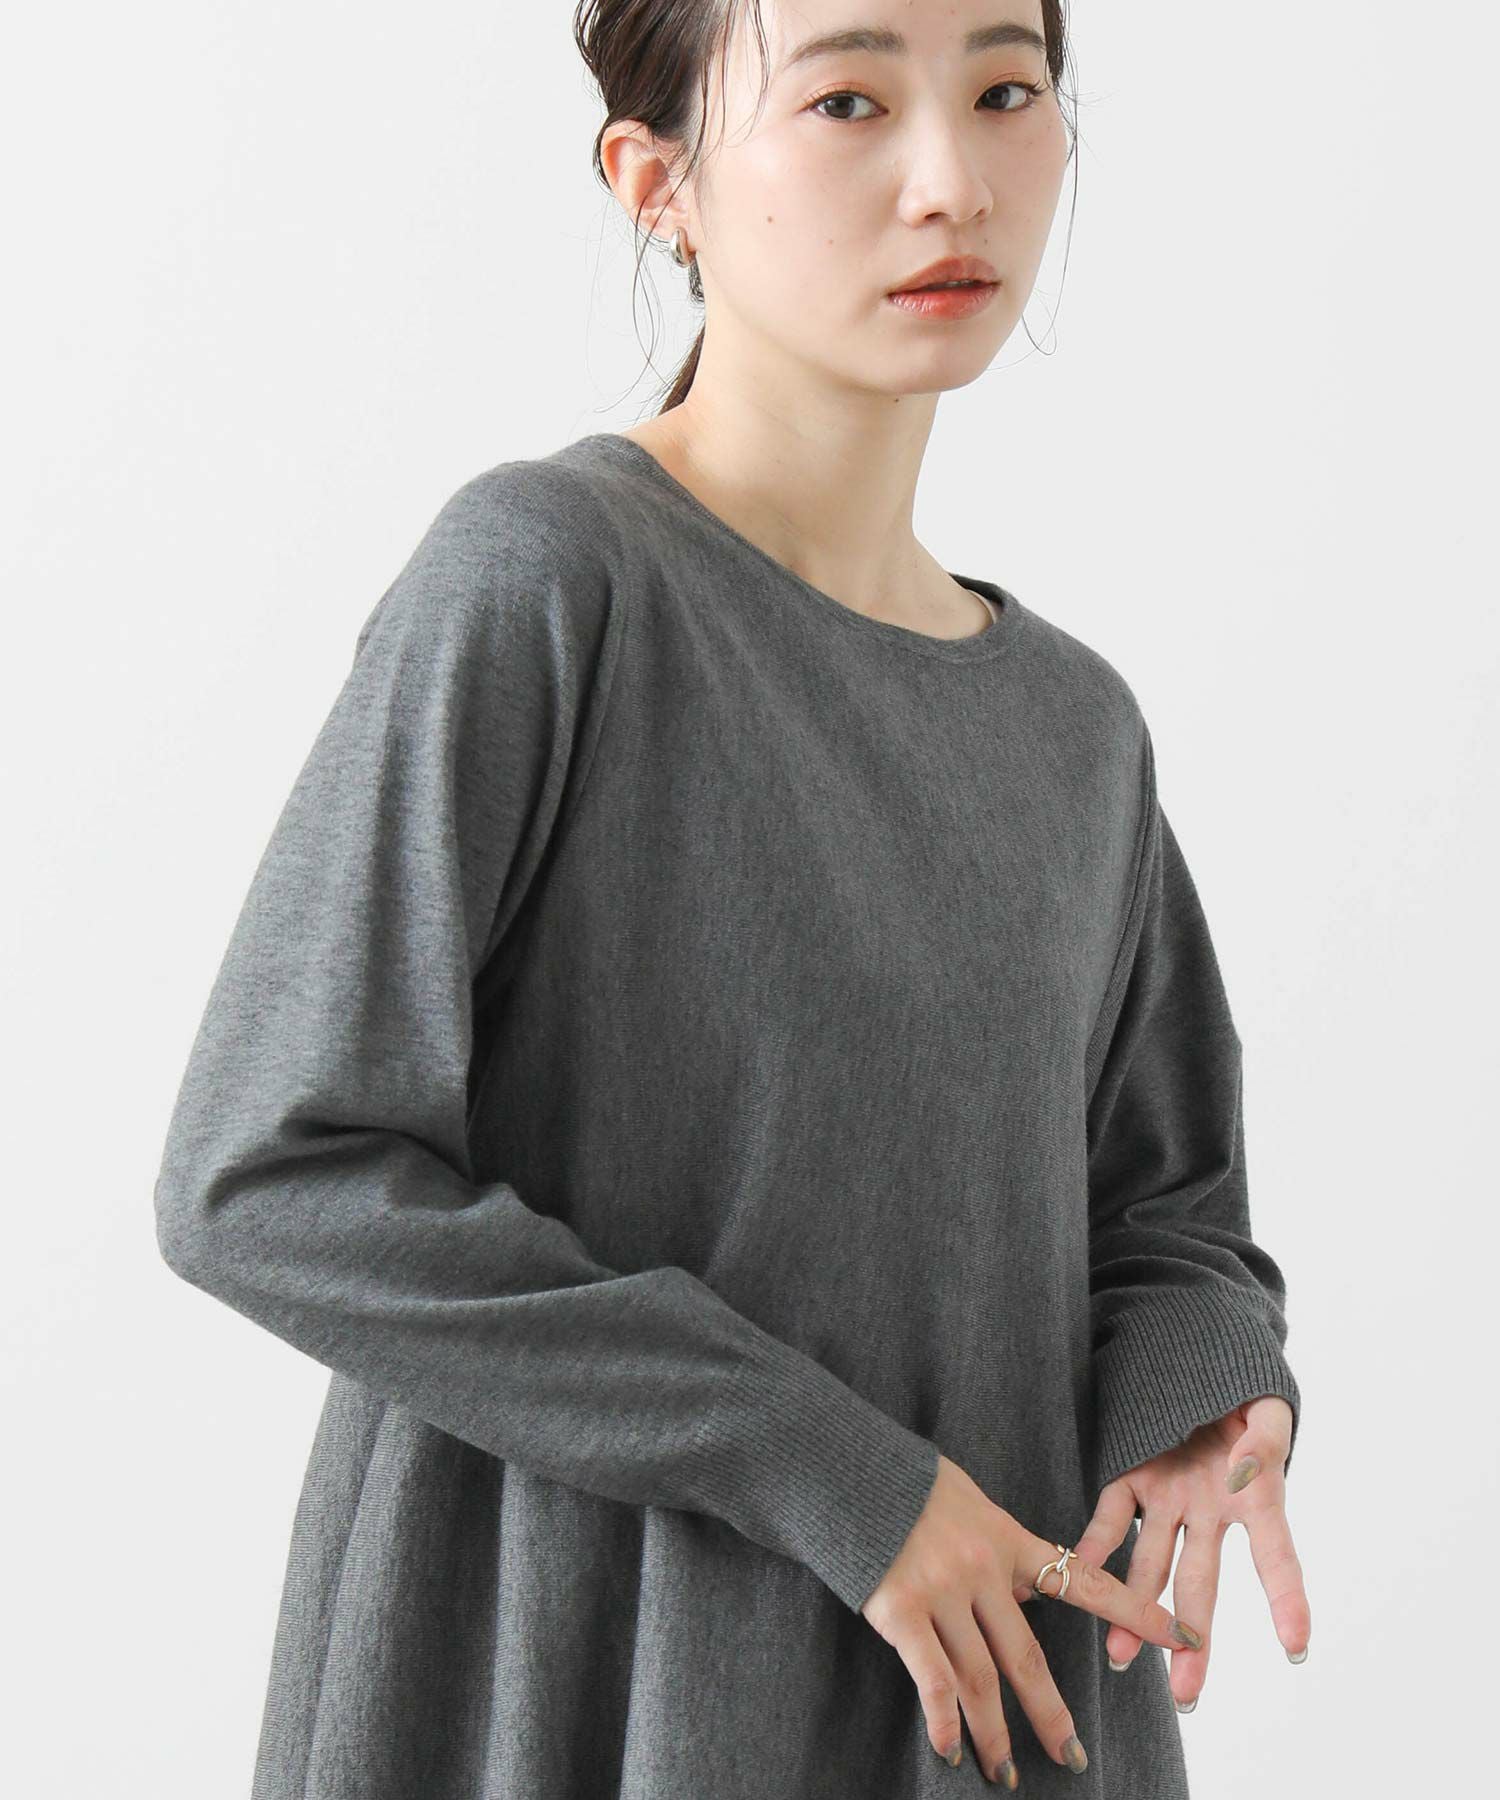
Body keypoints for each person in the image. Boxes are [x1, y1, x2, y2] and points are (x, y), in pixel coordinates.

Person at [153, 2, 1311, 1794]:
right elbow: (266, 1174)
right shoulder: (549, 582)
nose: (952, 180)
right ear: (656, 182)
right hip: (577, 1685)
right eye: (847, 100)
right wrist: (837, 1473)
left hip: (990, 1700)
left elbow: (1166, 1211)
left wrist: (1195, 1396)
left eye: (1007, 90)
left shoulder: (1074, 729)